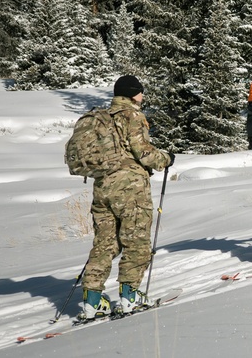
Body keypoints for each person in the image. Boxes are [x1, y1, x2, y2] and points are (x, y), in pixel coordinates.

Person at [79, 75, 173, 321]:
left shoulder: (101, 117)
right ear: (133, 94)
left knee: (105, 243)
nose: (143, 96)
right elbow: (143, 152)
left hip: (102, 188)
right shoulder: (132, 115)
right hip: (129, 188)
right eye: (141, 92)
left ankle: (92, 301)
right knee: (137, 241)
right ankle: (130, 296)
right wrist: (166, 158)